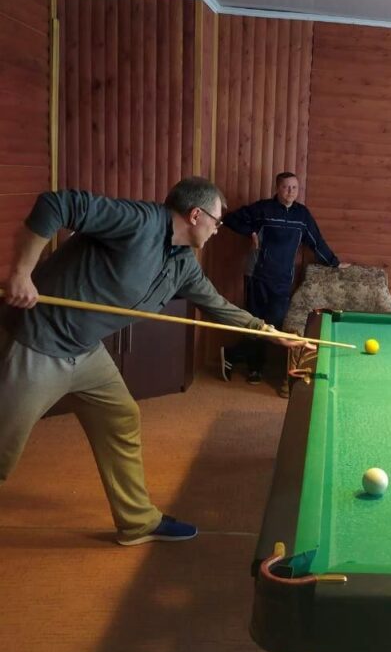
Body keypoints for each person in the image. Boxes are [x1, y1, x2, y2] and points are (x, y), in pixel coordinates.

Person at [0, 177, 292, 546]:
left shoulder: (182, 263)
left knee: (121, 416)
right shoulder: (138, 221)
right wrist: (21, 273)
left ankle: (137, 522)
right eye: (217, 221)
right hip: (38, 341)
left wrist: (266, 330)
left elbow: (216, 304)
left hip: (85, 350)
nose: (218, 229)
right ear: (196, 215)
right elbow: (56, 204)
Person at [220, 171, 346, 383]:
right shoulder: (263, 209)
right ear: (278, 188)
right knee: (256, 320)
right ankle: (255, 368)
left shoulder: (302, 215)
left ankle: (233, 354)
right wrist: (250, 232)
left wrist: (335, 263)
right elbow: (230, 219)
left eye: (294, 188)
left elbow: (316, 241)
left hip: (283, 279)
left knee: (274, 322)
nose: (290, 192)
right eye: (286, 187)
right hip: (257, 275)